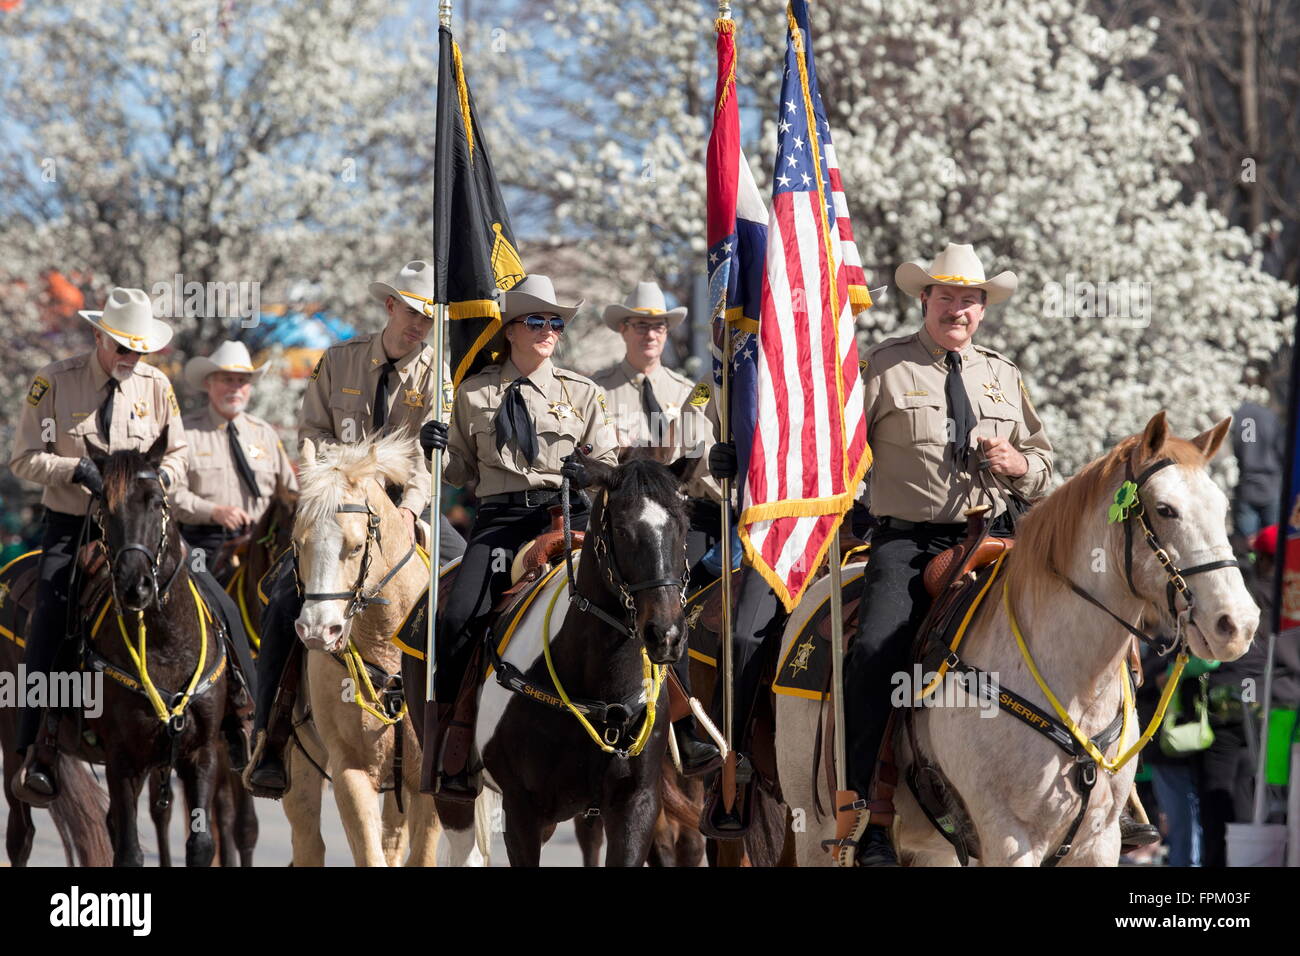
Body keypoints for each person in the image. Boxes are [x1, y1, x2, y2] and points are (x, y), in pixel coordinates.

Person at [840, 243, 1055, 865]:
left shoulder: (1003, 375)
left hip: (999, 538)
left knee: (1075, 631)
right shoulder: (883, 367)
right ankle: (867, 817)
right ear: (924, 300)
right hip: (910, 541)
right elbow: (838, 454)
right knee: (875, 653)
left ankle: (1100, 789)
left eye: (969, 299)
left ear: (982, 310)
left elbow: (1043, 463)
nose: (957, 309)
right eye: (946, 297)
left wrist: (1020, 464)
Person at [246, 259, 466, 794]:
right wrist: (326, 485)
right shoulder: (338, 360)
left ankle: (460, 739)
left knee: (465, 591)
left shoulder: (441, 376)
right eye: (412, 313)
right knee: (283, 601)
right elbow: (312, 429)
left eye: (428, 318)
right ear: (389, 306)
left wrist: (411, 509)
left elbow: (430, 460)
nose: (419, 326)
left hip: (404, 507)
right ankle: (270, 735)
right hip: (337, 507)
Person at [419, 273, 619, 800]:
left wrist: (588, 473)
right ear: (510, 329)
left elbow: (610, 466)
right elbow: (461, 471)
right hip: (502, 521)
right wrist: (434, 449)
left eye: (555, 322)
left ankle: (653, 736)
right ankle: (453, 742)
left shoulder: (585, 393)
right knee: (458, 617)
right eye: (537, 320)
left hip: (568, 519)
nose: (549, 329)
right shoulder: (473, 392)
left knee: (637, 607)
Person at [8, 287, 191, 805]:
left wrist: (153, 484)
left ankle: (237, 719)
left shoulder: (157, 385)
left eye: (139, 350)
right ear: (98, 336)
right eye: (122, 348)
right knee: (50, 608)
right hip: (74, 522)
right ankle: (37, 744)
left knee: (205, 598)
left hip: (139, 523)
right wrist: (75, 469)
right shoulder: (54, 381)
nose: (131, 359)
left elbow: (178, 452)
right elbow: (23, 459)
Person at [591, 280, 721, 775]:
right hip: (614, 525)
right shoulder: (595, 390)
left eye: (659, 325)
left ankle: (685, 724)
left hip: (670, 525)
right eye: (641, 324)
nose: (651, 333)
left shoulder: (690, 393)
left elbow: (698, 466)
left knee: (680, 609)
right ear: (623, 329)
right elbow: (588, 462)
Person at [171, 340, 298, 564]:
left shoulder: (265, 434)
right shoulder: (185, 432)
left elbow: (290, 493)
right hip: (204, 543)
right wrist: (213, 511)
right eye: (227, 379)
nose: (235, 388)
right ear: (208, 383)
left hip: (263, 544)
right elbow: (171, 494)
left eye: (242, 381)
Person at [1230, 364, 1283, 538]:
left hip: (1246, 484)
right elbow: (1281, 450)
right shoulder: (1270, 415)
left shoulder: (1238, 414)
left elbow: (1236, 447)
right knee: (1272, 543)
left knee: (1248, 546)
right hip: (1271, 485)